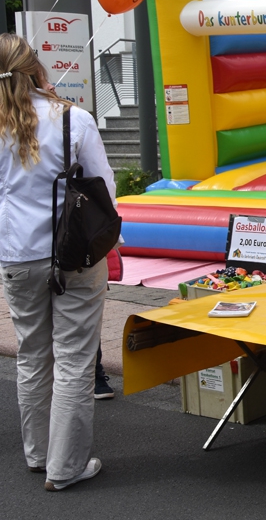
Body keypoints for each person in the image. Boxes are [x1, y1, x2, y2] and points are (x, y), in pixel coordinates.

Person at [0, 33, 115, 491]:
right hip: (74, 253)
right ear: (36, 68)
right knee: (74, 361)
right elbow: (103, 188)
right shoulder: (72, 119)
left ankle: (38, 454)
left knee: (32, 356)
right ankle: (64, 467)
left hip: (16, 255)